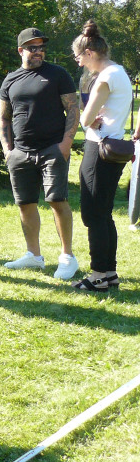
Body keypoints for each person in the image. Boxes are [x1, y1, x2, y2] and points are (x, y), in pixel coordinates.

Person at [0, 28, 80, 279]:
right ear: (21, 50)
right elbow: (4, 117)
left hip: (51, 149)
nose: (38, 52)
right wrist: (7, 150)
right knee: (25, 204)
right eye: (32, 48)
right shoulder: (10, 79)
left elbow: (73, 109)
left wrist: (65, 145)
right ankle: (33, 256)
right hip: (20, 152)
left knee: (57, 201)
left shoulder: (58, 74)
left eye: (41, 47)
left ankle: (67, 257)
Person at [71, 20, 132, 291]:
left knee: (93, 213)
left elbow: (85, 118)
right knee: (104, 213)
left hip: (99, 148)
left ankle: (97, 275)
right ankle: (109, 273)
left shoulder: (105, 77)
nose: (80, 64)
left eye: (79, 58)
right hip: (114, 145)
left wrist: (90, 119)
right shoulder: (120, 72)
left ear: (89, 53)